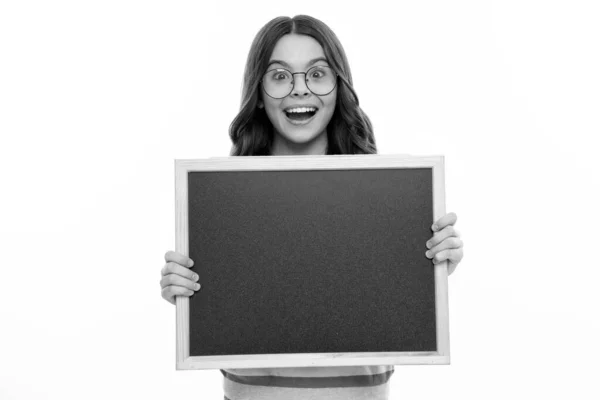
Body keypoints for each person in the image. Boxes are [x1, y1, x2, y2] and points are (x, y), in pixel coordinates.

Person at [160, 14, 464, 400]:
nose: (299, 90)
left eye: (317, 74)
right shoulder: (221, 200)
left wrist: (431, 268)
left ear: (339, 86)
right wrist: (188, 293)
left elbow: (389, 304)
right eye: (280, 75)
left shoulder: (387, 195)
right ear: (258, 91)